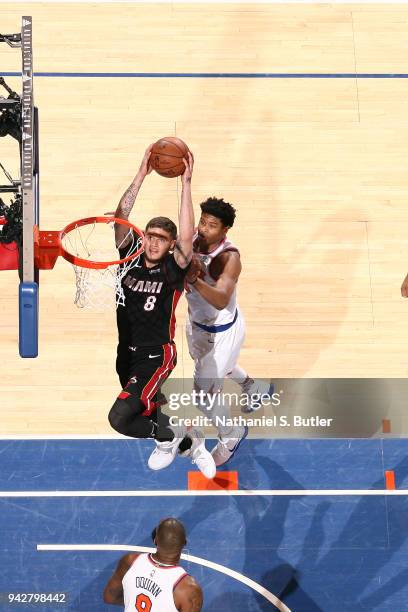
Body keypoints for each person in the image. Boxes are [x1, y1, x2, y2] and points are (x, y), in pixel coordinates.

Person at [108, 145, 215, 479]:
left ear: (170, 244)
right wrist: (141, 173)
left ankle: (168, 439)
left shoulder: (173, 269)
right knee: (147, 407)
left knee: (120, 418)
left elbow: (187, 236)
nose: (154, 243)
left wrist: (185, 183)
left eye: (161, 239)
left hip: (157, 354)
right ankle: (192, 443)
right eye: (150, 236)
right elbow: (120, 217)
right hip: (125, 354)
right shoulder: (129, 256)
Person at [185, 197, 273, 467]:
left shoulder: (229, 257)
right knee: (221, 366)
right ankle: (253, 387)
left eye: (212, 225)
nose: (203, 228)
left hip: (221, 332)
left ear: (225, 231)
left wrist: (193, 278)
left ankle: (231, 435)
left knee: (202, 397)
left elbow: (222, 298)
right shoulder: (193, 240)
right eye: (202, 221)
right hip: (199, 326)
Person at [103, 517, 203, 611]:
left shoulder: (130, 562)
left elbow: (109, 597)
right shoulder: (188, 589)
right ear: (184, 543)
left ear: (155, 540)